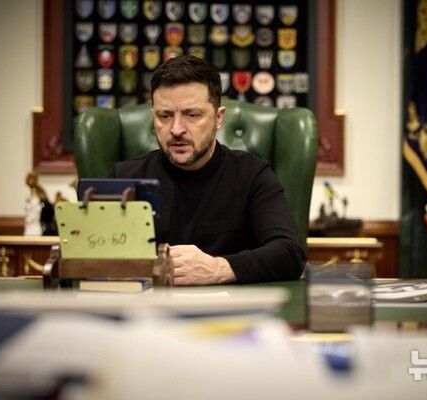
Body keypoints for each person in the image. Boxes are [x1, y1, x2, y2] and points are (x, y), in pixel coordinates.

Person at [109, 56, 306, 285]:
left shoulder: (252, 175)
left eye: (192, 115)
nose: (176, 129)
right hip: (146, 305)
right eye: (165, 116)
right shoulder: (124, 177)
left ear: (218, 118)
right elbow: (93, 255)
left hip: (230, 306)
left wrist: (219, 268)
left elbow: (290, 253)